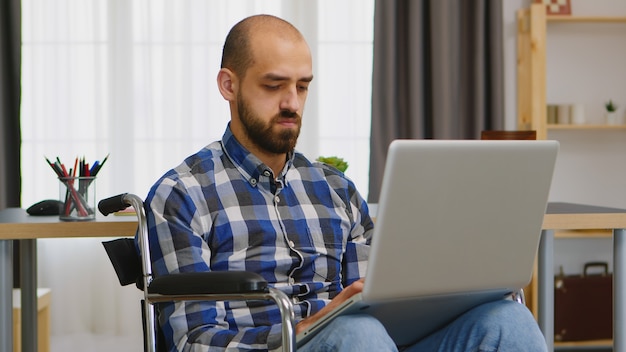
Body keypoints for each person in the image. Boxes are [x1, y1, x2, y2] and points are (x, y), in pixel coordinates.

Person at [143, 14, 548, 352]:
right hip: (283, 344)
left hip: (365, 342)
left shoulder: (336, 189)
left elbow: (375, 305)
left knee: (505, 320)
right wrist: (298, 331)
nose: (293, 103)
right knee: (359, 333)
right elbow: (193, 340)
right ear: (229, 85)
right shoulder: (181, 194)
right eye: (274, 85)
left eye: (302, 86)